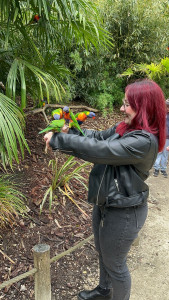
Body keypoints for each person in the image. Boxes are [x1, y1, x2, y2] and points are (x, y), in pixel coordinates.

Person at [44, 79, 166, 300]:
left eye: (126, 104)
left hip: (125, 212)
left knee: (116, 265)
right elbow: (97, 137)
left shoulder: (144, 140)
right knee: (103, 254)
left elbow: (103, 149)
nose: (121, 109)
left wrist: (59, 140)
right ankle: (104, 291)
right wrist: (71, 129)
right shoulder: (126, 128)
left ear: (144, 107)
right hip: (106, 202)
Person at [153, 99, 169, 178]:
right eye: (167, 106)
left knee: (165, 153)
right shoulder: (160, 114)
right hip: (160, 136)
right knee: (158, 152)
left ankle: (163, 169)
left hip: (168, 138)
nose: (168, 108)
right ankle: (156, 168)